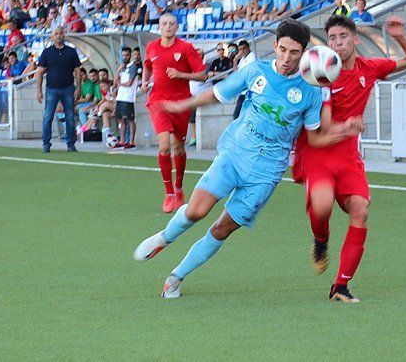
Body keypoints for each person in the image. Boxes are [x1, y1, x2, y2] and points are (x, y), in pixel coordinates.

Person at [132, 19, 361, 299]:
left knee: (222, 228)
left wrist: (343, 131)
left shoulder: (310, 91)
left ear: (304, 54)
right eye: (283, 50)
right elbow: (217, 94)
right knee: (196, 211)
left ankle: (176, 277)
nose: (287, 58)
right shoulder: (255, 71)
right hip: (234, 154)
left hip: (265, 173)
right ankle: (164, 238)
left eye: (294, 53)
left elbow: (315, 138)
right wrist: (183, 104)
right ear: (275, 46)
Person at [293, 15, 406, 302]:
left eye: (342, 37)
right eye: (332, 39)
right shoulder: (322, 74)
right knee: (323, 205)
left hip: (347, 155)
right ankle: (321, 241)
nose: (337, 44)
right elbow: (323, 127)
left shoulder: (370, 67)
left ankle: (340, 286)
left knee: (361, 210)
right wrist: (345, 126)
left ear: (355, 39)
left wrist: (399, 35)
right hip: (317, 151)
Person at [141, 13, 207, 214]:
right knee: (164, 146)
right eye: (164, 24)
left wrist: (181, 74)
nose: (168, 27)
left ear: (177, 27)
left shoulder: (185, 48)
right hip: (158, 102)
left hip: (180, 104)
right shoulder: (151, 47)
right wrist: (145, 81)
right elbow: (148, 67)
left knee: (178, 148)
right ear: (159, 27)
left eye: (171, 23)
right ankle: (168, 193)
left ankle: (179, 187)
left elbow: (202, 75)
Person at [34, 26, 82, 153]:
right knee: (48, 117)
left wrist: (78, 88)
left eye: (61, 33)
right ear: (52, 36)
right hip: (51, 89)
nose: (59, 35)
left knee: (70, 117)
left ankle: (71, 144)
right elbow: (39, 72)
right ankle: (46, 143)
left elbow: (77, 70)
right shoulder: (47, 52)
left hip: (68, 88)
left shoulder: (71, 52)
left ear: (64, 35)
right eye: (56, 33)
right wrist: (38, 90)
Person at [114, 47, 140, 149]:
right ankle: (122, 141)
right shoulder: (123, 67)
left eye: (126, 55)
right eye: (123, 55)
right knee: (121, 120)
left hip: (128, 97)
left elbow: (129, 83)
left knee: (130, 119)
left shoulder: (133, 67)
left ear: (130, 55)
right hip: (120, 97)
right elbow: (115, 81)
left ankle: (132, 141)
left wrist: (119, 84)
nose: (124, 57)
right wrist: (119, 69)